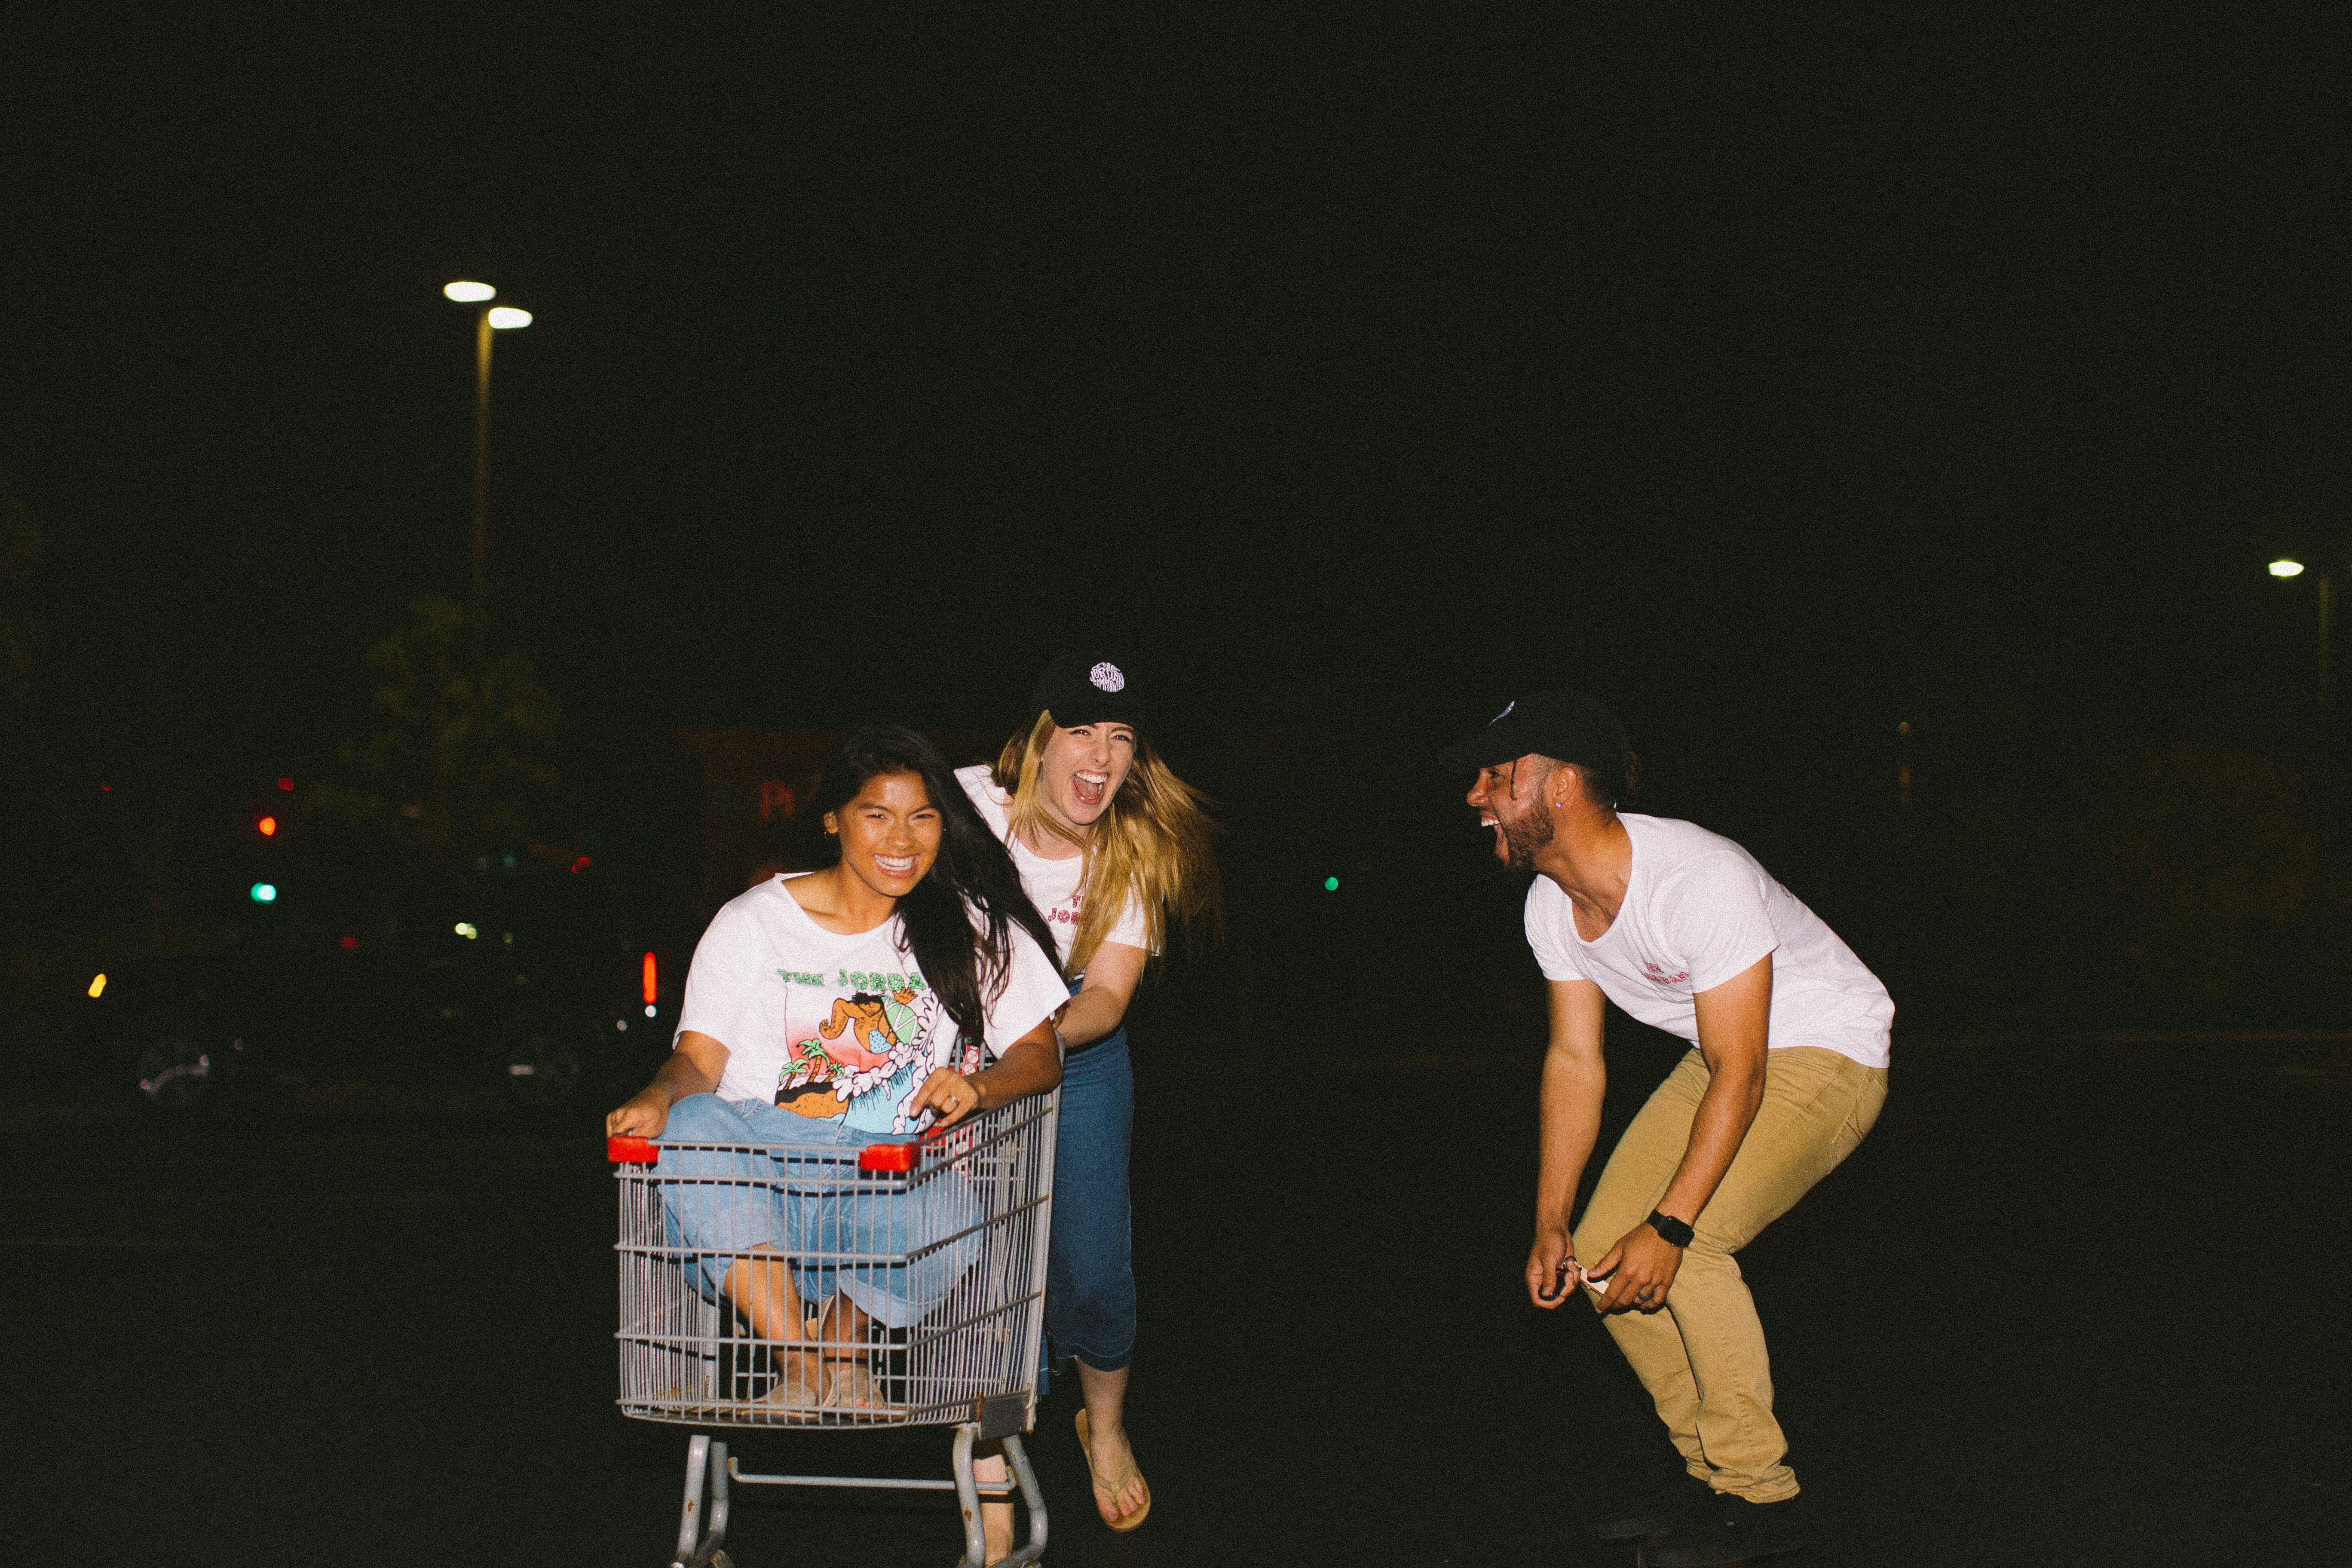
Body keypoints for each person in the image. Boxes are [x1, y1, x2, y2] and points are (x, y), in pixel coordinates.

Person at [1446, 689, 1892, 1568]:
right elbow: (1576, 1062)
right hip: (1730, 1055)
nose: (1475, 797)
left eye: (1496, 777)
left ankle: (1763, 1501)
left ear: (1560, 785)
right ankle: (1712, 1481)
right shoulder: (1551, 906)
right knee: (1607, 1259)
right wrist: (1552, 1220)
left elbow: (1746, 1070)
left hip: (1828, 1051)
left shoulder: (1697, 877)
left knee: (1688, 1249)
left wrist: (1675, 1222)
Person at [606, 724, 1069, 1427]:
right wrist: (657, 1094)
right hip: (760, 1190)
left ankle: (846, 1351)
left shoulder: (968, 927)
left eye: (922, 817)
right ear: (833, 820)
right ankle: (804, 1364)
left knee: (956, 1209)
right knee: (693, 1124)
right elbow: (698, 1063)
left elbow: (1040, 1053)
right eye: (875, 815)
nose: (901, 840)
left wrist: (980, 1086)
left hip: (886, 1186)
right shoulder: (753, 923)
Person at [955, 650, 1219, 1535]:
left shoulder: (1131, 850)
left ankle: (1103, 1426)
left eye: (1121, 738)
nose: (1100, 756)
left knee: (1096, 1270)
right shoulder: (961, 810)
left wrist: (1026, 1046)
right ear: (1038, 744)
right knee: (979, 1275)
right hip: (956, 1051)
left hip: (1076, 1049)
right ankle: (991, 1470)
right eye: (1080, 732)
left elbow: (1105, 998)